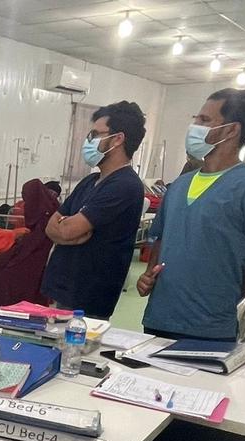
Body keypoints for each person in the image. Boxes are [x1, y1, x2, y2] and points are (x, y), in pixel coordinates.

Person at [138, 89, 245, 341]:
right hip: (160, 317)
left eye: (205, 121)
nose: (194, 126)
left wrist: (231, 291)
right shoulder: (180, 186)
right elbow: (162, 237)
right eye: (196, 119)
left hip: (207, 326)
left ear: (232, 130)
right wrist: (149, 275)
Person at [41, 101, 147, 318]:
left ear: (117, 139)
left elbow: (67, 230)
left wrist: (66, 230)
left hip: (89, 297)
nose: (89, 141)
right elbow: (51, 227)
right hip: (65, 289)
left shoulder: (124, 185)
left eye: (96, 134)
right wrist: (66, 230)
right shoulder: (90, 181)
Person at [0, 179, 58, 311]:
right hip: (24, 249)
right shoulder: (39, 210)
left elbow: (33, 245)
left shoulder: (44, 216)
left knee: (2, 271)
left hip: (31, 256)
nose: (24, 201)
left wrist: (16, 247)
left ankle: (2, 309)